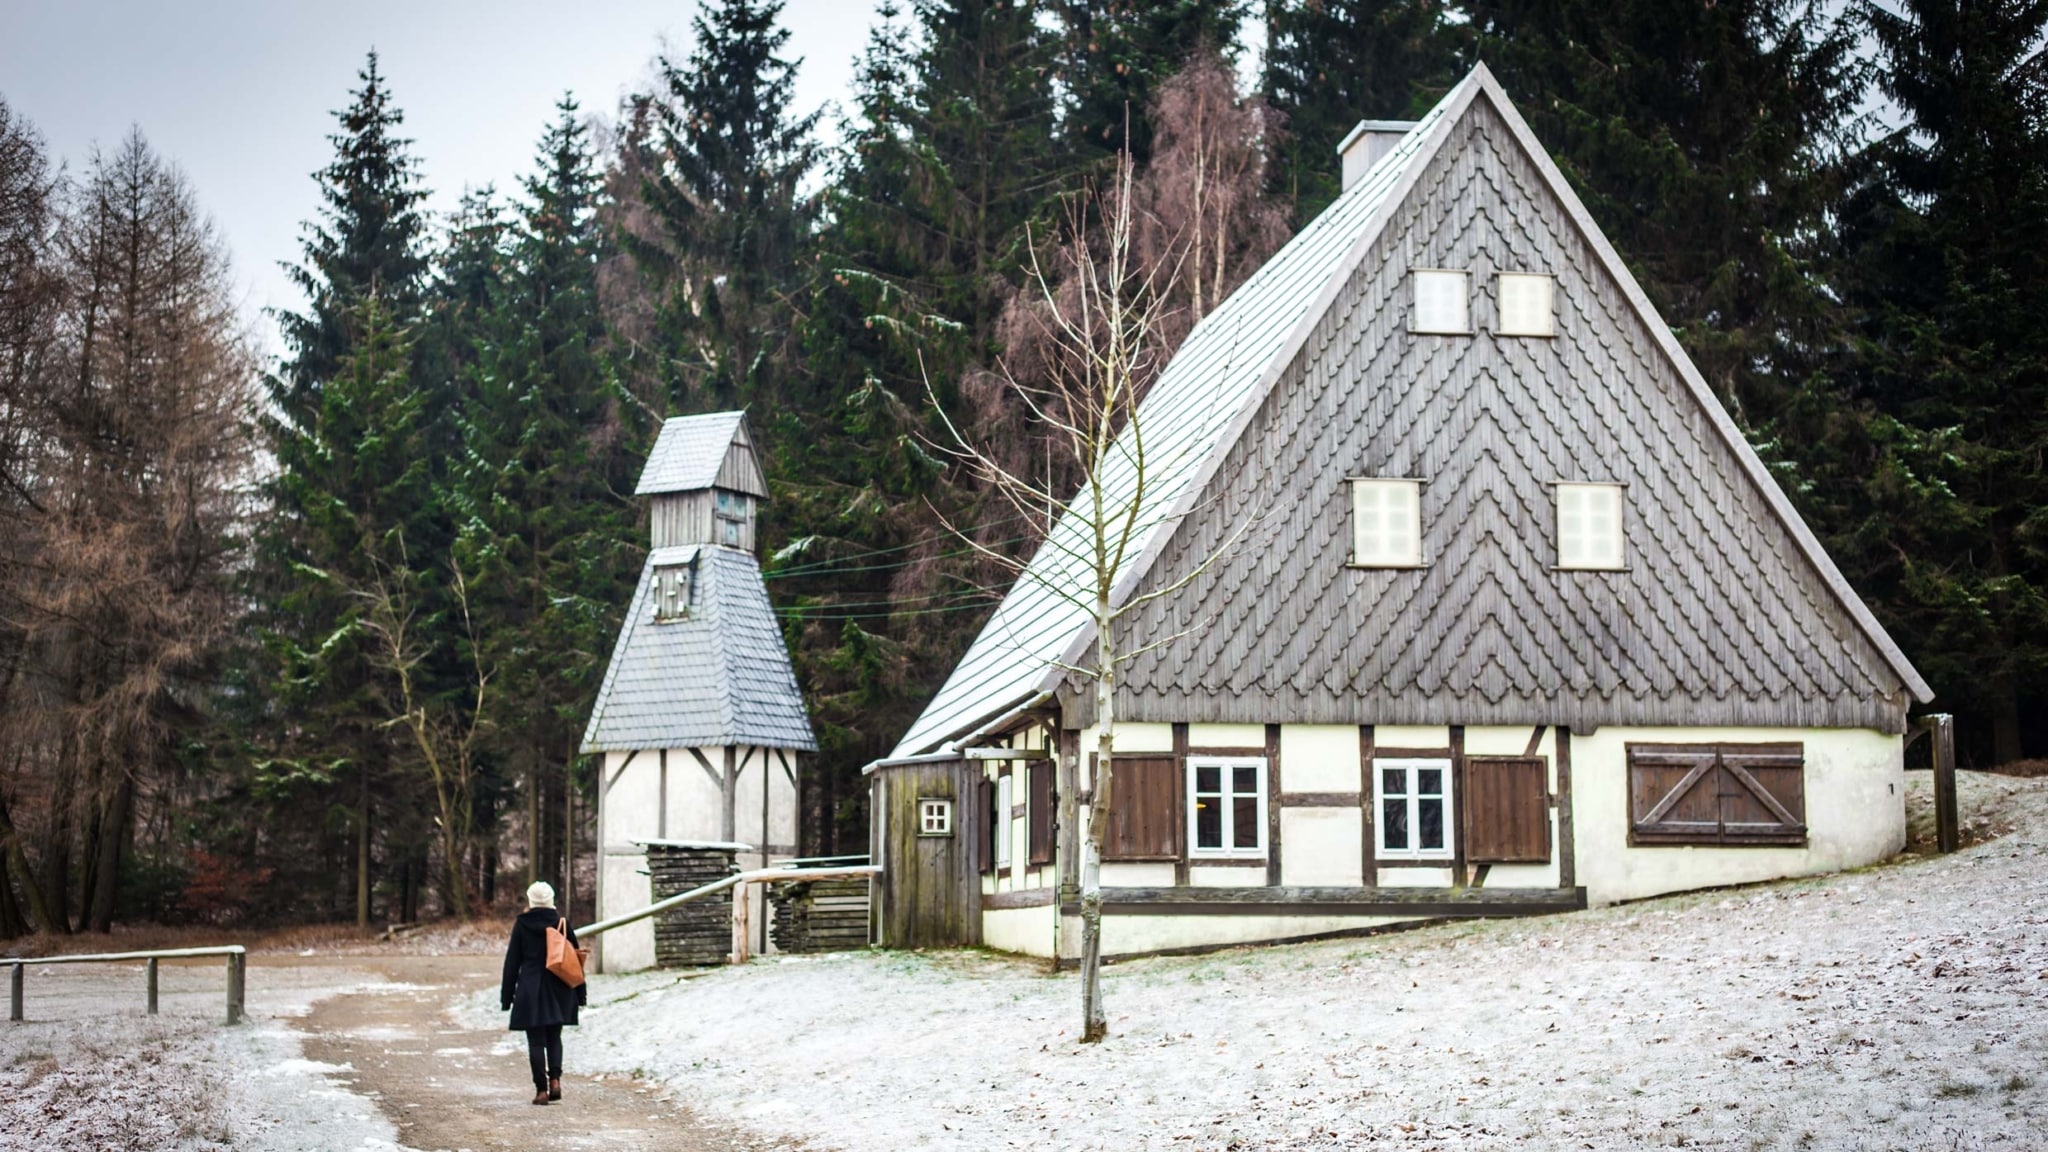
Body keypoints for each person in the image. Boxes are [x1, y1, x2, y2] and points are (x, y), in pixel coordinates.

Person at [500, 880, 586, 1105]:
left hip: (530, 989)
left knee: (536, 1041)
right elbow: (576, 960)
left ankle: (541, 1091)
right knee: (554, 1037)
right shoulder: (562, 923)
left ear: (531, 900)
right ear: (551, 900)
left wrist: (506, 997)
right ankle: (555, 1080)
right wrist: (581, 994)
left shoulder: (522, 925)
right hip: (559, 988)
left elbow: (512, 962)